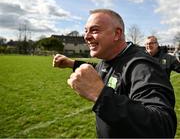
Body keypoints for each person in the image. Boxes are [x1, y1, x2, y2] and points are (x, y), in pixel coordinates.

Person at [53, 9, 177, 138]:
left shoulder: (142, 66)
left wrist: (100, 95)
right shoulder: (109, 59)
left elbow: (162, 127)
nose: (86, 36)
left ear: (117, 34)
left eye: (94, 30)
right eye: (86, 31)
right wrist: (71, 63)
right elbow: (100, 69)